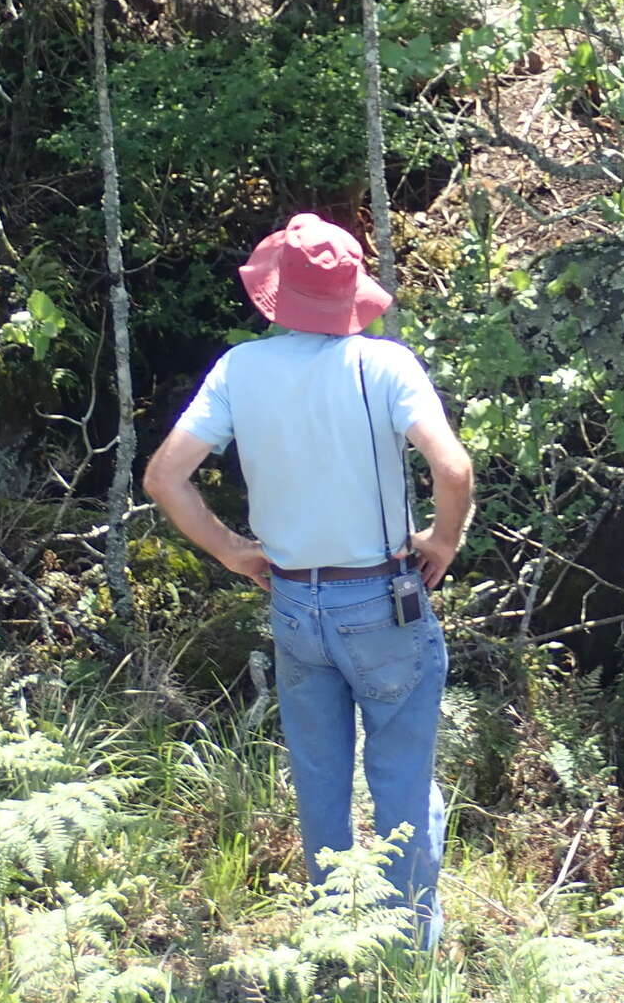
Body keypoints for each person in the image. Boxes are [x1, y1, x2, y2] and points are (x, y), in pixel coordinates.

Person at [143, 214, 472, 944]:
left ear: (278, 294)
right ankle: (409, 952)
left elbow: (165, 478)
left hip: (294, 600)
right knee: (401, 779)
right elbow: (452, 467)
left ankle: (334, 939)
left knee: (321, 778)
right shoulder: (386, 365)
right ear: (352, 293)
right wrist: (443, 539)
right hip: (383, 599)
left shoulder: (239, 369)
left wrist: (232, 549)